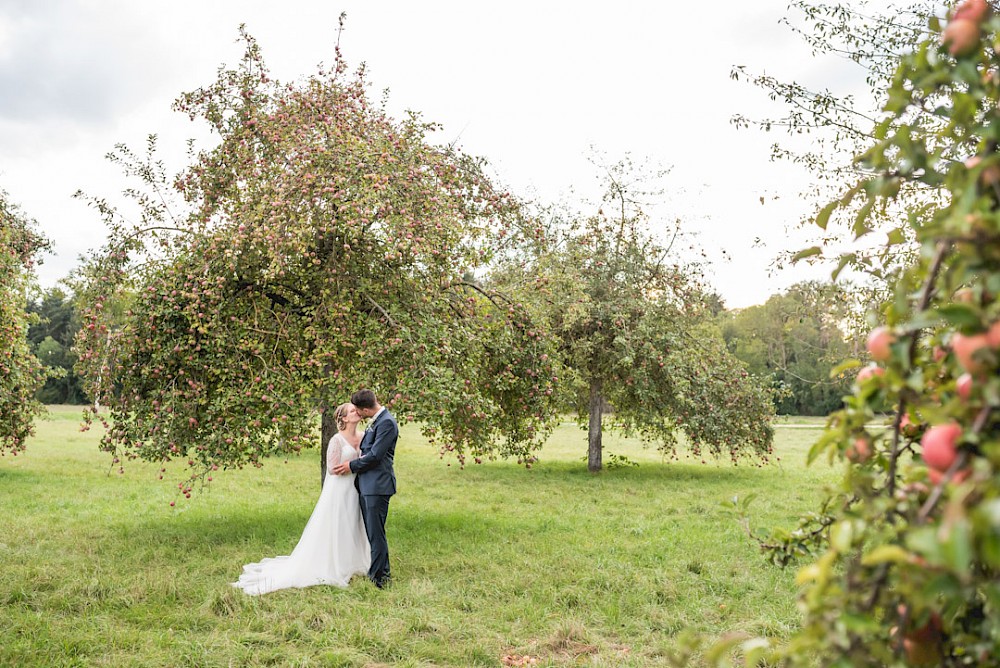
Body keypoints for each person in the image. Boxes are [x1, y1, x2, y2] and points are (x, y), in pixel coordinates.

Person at [231, 403, 370, 595]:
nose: (358, 413)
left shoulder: (363, 436)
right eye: (353, 411)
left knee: (355, 523)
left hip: (357, 488)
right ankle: (336, 564)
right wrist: (353, 464)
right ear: (344, 418)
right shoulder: (337, 440)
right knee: (339, 524)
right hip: (339, 489)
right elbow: (332, 468)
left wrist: (355, 464)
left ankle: (355, 562)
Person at [332, 388, 397, 588]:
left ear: (366, 409)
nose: (358, 414)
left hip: (377, 485)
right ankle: (380, 572)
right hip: (368, 485)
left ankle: (379, 579)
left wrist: (350, 465)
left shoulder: (386, 422)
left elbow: (375, 455)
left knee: (376, 534)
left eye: (358, 411)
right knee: (373, 533)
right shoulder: (378, 420)